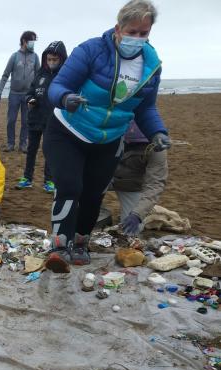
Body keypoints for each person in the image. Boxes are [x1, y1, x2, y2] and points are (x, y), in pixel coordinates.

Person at [43, 0, 170, 271]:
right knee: (69, 187)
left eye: (143, 33)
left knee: (93, 194)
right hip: (68, 131)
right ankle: (59, 245)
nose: (137, 38)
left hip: (109, 139)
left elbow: (145, 108)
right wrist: (65, 98)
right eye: (131, 32)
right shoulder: (91, 50)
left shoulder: (151, 65)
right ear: (118, 28)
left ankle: (80, 243)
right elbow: (58, 85)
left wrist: (157, 132)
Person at [99, 121, 169, 235]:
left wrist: (137, 214)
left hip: (131, 185)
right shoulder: (105, 135)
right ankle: (101, 213)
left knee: (132, 231)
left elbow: (155, 185)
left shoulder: (157, 147)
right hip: (102, 178)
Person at [16, 41, 68, 193]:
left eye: (55, 60)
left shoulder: (64, 76)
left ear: (62, 59)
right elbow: (30, 92)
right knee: (31, 149)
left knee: (49, 150)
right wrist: (29, 100)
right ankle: (27, 178)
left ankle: (49, 180)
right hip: (35, 118)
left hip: (53, 120)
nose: (51, 62)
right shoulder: (40, 74)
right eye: (49, 59)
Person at [0, 31, 40, 153]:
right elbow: (5, 75)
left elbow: (38, 76)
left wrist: (38, 93)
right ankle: (10, 144)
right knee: (11, 120)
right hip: (14, 94)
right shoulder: (14, 56)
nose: (33, 44)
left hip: (28, 95)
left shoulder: (35, 57)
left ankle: (23, 144)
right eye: (31, 41)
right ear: (24, 41)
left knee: (26, 121)